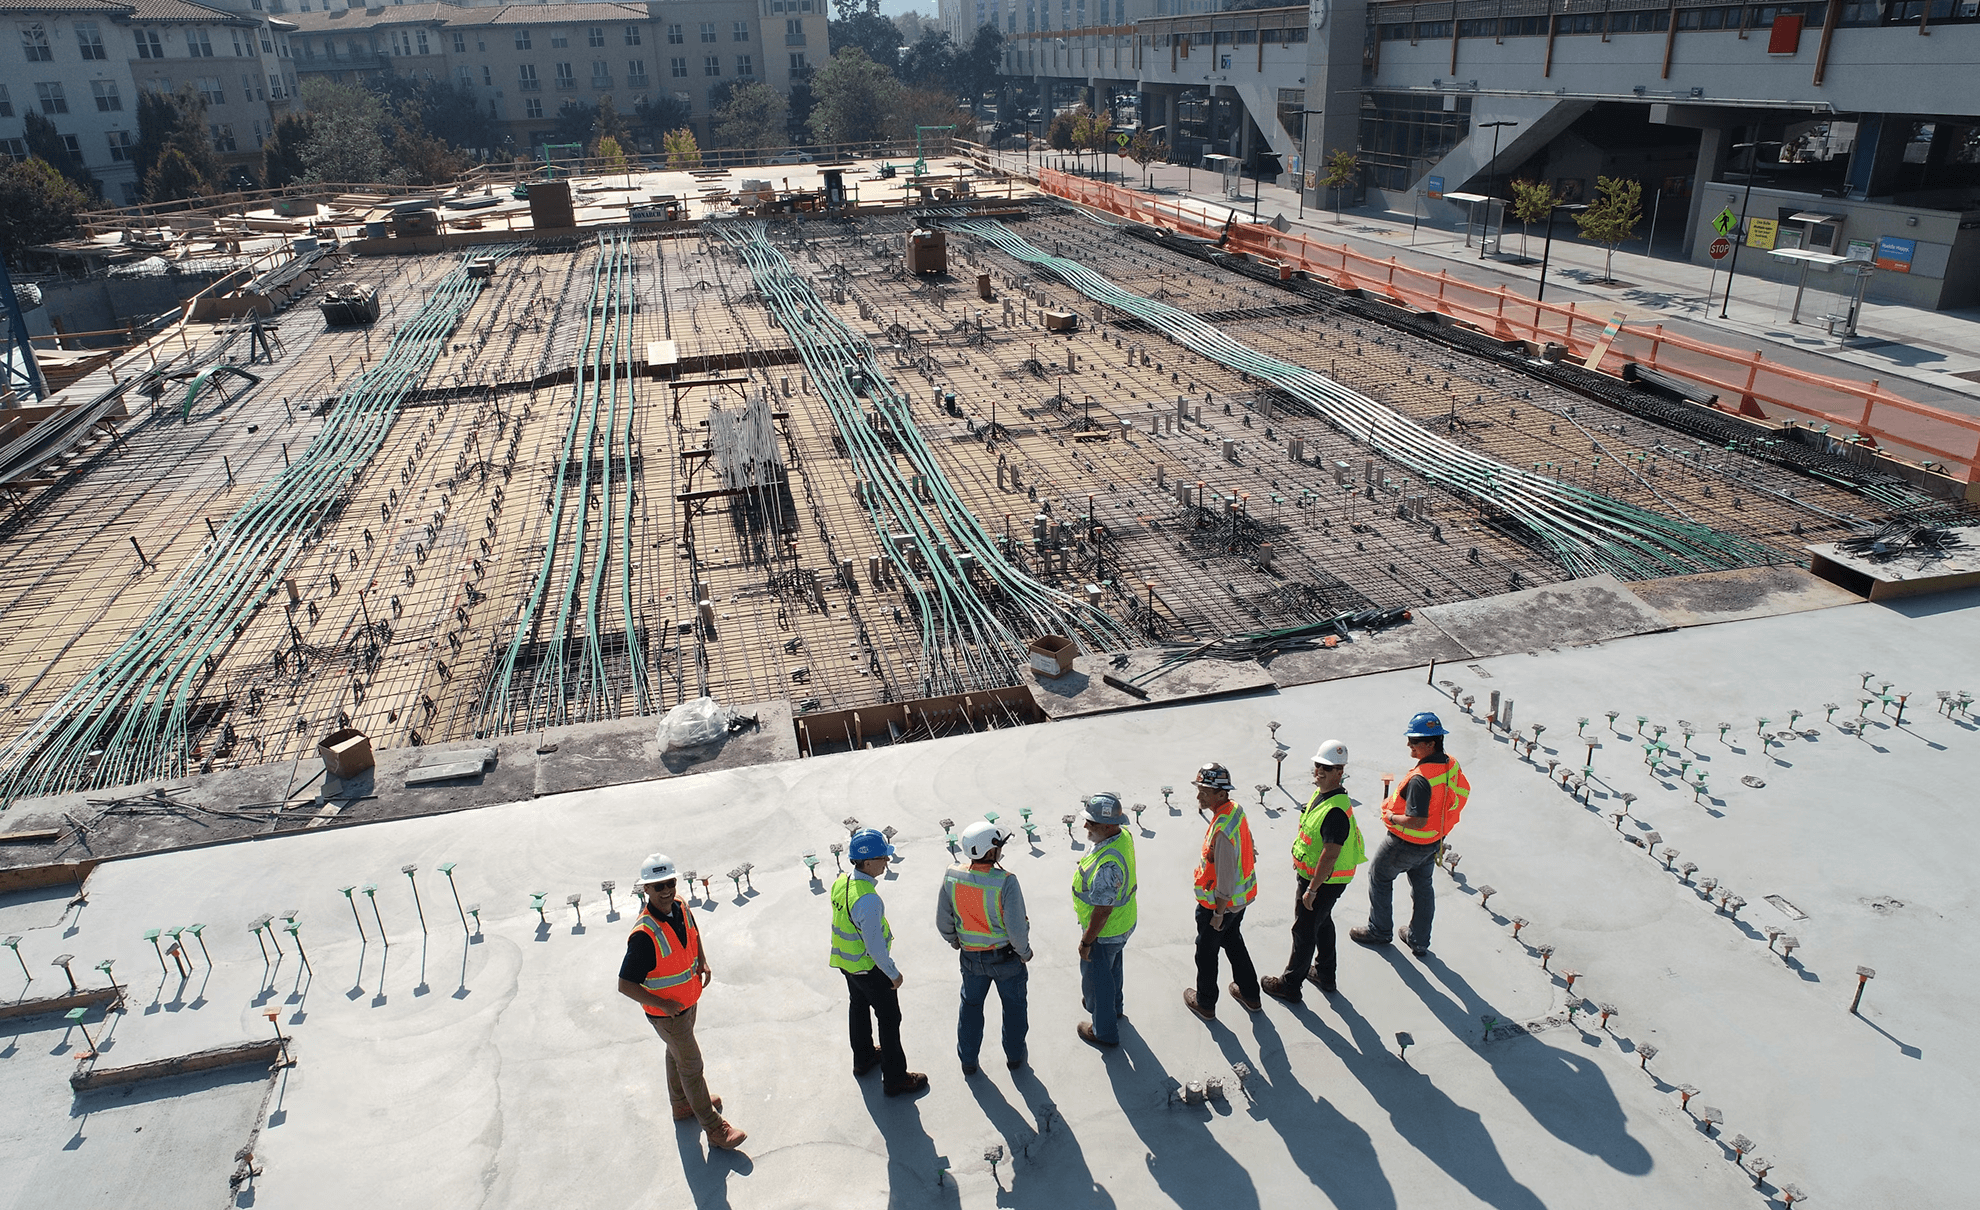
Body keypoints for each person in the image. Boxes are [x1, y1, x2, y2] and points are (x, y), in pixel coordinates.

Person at [616, 852, 747, 1150]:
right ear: (646, 890)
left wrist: (703, 959)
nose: (666, 891)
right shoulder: (644, 935)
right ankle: (714, 1129)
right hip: (668, 1014)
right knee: (692, 1065)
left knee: (676, 1053)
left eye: (670, 883)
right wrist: (663, 1005)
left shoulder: (681, 906)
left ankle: (682, 1104)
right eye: (658, 886)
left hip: (687, 1002)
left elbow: (693, 932)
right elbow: (625, 985)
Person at [1352, 712, 1472, 957]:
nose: (1409, 745)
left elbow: (1416, 820)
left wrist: (1390, 817)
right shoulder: (1450, 764)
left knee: (1379, 877)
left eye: (1414, 741)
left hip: (1406, 843)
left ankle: (1379, 930)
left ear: (1430, 744)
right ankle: (1419, 940)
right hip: (1434, 841)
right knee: (1423, 887)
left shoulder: (1420, 780)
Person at [1262, 740, 1366, 1002]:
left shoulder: (1335, 811)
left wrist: (1312, 889)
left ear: (1339, 772)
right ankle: (1325, 973)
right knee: (1322, 922)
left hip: (1323, 882)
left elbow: (1330, 854)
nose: (1319, 771)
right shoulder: (1323, 795)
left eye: (1326, 768)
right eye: (1318, 765)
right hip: (1320, 879)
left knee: (1304, 930)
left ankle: (1289, 985)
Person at [830, 827, 928, 1097]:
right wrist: (893, 974)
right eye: (884, 858)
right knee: (889, 1018)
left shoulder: (842, 882)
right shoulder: (869, 900)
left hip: (846, 963)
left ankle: (863, 1059)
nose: (887, 861)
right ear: (869, 861)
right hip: (869, 968)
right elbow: (875, 948)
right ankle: (896, 1078)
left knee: (858, 1007)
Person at [936, 819, 1032, 1074]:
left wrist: (955, 940)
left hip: (970, 959)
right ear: (991, 852)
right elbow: (1016, 928)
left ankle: (968, 1061)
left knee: (970, 1008)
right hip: (1006, 959)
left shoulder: (953, 876)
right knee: (1013, 1008)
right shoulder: (1005, 882)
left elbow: (943, 920)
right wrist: (1025, 953)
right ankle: (1014, 1057)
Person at [1184, 761, 1261, 1021]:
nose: (1199, 796)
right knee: (1233, 942)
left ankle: (1206, 1003)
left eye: (1204, 792)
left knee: (1206, 954)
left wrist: (1217, 913)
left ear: (1221, 794)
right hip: (1239, 902)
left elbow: (1225, 878)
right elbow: (1248, 843)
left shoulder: (1223, 830)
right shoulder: (1235, 811)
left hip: (1219, 906)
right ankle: (1250, 994)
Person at [1072, 792, 1137, 1048]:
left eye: (1092, 823)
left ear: (1109, 826)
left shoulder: (1108, 866)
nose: (1086, 825)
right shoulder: (1122, 837)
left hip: (1105, 932)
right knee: (1112, 970)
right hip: (1122, 924)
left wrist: (1087, 942)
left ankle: (1104, 1031)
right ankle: (1115, 1008)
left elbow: (1102, 910)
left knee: (1097, 981)